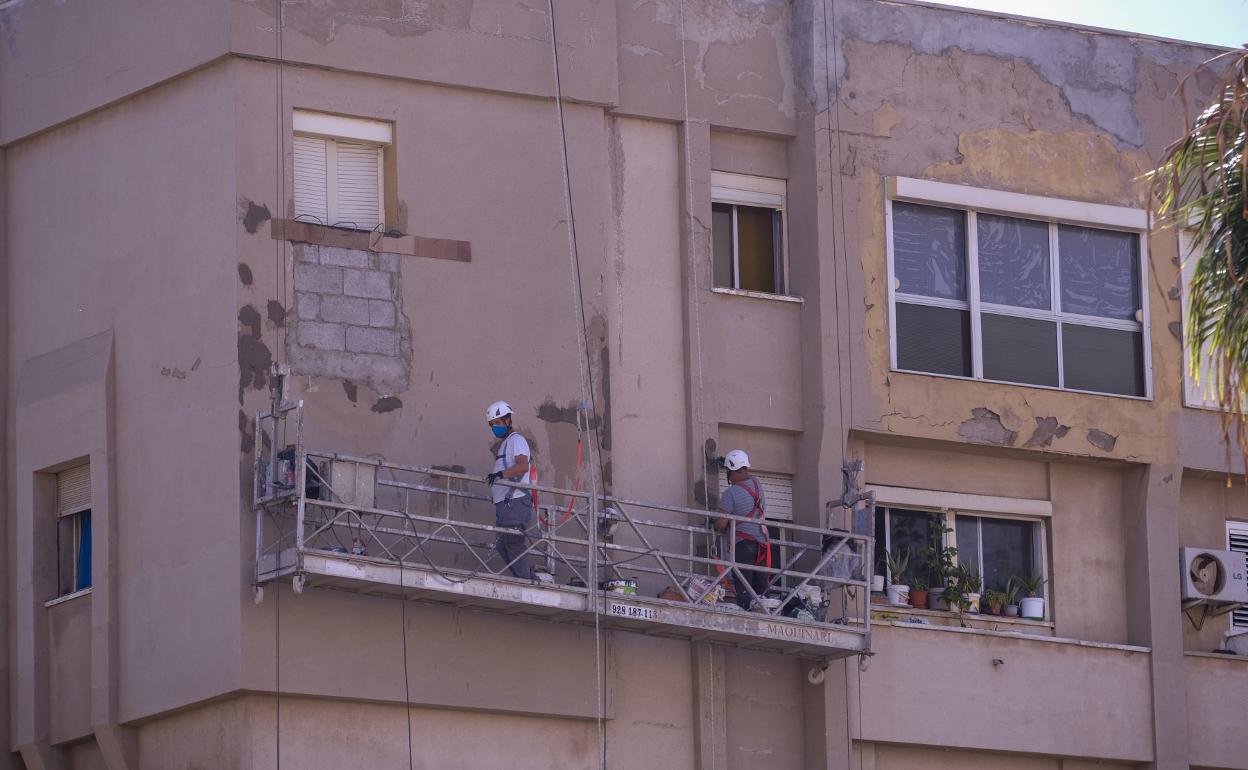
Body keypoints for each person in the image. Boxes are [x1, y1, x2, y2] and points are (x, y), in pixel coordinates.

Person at [714, 449, 771, 610]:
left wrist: (713, 523)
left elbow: (721, 524)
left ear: (731, 471)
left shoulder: (731, 493)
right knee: (760, 588)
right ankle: (763, 613)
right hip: (762, 544)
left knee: (744, 586)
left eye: (728, 472)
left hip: (743, 545)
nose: (729, 477)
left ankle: (745, 612)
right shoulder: (757, 485)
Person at [484, 400, 534, 580]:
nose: (495, 427)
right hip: (506, 504)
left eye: (497, 422)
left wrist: (500, 475)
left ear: (507, 420)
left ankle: (526, 582)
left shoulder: (516, 440)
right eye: (492, 425)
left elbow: (522, 466)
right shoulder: (507, 443)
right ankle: (524, 578)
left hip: (515, 502)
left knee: (513, 542)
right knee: (502, 545)